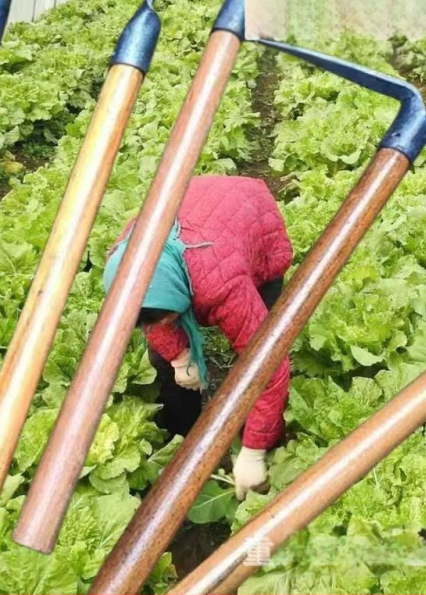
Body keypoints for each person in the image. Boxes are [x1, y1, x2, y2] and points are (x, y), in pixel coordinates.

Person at [102, 175, 294, 499]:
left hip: (248, 213)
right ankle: (184, 439)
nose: (162, 323)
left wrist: (253, 451)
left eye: (166, 314)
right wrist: (179, 357)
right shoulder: (126, 263)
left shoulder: (221, 285)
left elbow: (269, 367)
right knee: (162, 361)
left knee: (263, 344)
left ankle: (264, 452)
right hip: (197, 217)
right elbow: (153, 317)